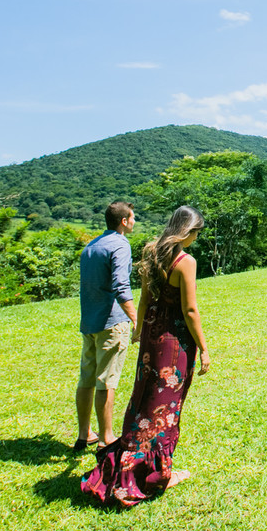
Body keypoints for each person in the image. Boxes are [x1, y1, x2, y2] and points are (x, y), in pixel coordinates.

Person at [81, 205, 211, 508]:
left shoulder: (152, 253)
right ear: (188, 231)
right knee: (165, 408)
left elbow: (144, 298)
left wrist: (140, 331)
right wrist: (204, 347)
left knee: (143, 402)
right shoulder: (185, 261)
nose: (196, 238)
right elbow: (190, 310)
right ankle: (156, 474)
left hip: (151, 337)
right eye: (196, 233)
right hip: (174, 343)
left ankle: (131, 463)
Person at [75, 201, 137, 453]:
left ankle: (83, 434)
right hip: (111, 323)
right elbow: (121, 285)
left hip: (90, 322)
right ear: (124, 221)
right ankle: (107, 438)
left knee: (86, 380)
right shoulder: (120, 245)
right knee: (106, 382)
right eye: (133, 218)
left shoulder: (91, 246)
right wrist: (135, 318)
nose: (134, 222)